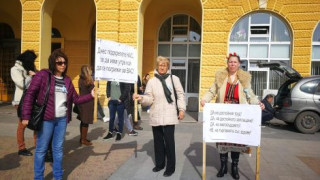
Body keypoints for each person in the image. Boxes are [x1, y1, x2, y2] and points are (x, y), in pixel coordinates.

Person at [21, 49, 95, 180]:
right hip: (46, 119)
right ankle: (38, 177)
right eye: (59, 62)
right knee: (41, 149)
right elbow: (30, 95)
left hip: (61, 120)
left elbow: (76, 99)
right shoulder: (43, 75)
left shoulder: (67, 80)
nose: (62, 65)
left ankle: (58, 176)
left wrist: (91, 96)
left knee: (58, 149)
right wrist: (25, 116)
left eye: (64, 62)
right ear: (52, 63)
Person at [200, 52, 265, 180]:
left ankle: (234, 167)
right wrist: (204, 100)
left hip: (237, 117)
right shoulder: (220, 77)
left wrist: (258, 103)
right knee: (222, 140)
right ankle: (223, 166)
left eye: (235, 62)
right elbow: (212, 91)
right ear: (227, 63)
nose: (232, 64)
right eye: (230, 62)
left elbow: (249, 94)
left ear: (239, 64)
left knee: (236, 141)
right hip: (223, 116)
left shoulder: (244, 79)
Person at [133, 56, 186, 177]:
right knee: (158, 142)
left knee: (169, 142)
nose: (162, 67)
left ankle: (170, 167)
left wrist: (182, 109)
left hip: (169, 114)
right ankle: (160, 164)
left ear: (168, 66)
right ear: (157, 66)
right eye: (160, 65)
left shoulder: (174, 79)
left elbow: (180, 95)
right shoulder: (152, 81)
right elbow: (149, 98)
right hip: (156, 114)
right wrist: (141, 98)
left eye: (164, 65)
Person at [10, 50, 37, 156]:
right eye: (32, 60)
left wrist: (36, 75)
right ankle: (21, 148)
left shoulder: (29, 68)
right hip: (21, 101)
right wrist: (31, 76)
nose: (34, 62)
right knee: (22, 125)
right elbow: (21, 84)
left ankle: (39, 146)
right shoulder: (15, 69)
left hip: (32, 100)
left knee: (36, 123)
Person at [78, 65, 96, 146]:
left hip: (82, 101)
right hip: (87, 103)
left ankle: (82, 138)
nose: (91, 71)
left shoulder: (81, 79)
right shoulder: (87, 80)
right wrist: (94, 84)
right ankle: (83, 140)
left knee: (83, 121)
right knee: (85, 122)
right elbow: (92, 90)